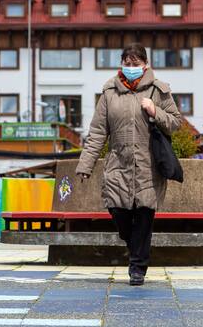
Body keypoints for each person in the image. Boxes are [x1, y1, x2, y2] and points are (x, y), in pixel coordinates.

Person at [76, 44, 182, 286]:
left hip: (149, 166)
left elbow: (176, 123)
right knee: (120, 214)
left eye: (136, 63)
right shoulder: (109, 93)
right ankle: (134, 246)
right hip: (118, 165)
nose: (132, 67)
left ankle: (137, 268)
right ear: (121, 63)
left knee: (144, 217)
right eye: (128, 62)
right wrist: (85, 165)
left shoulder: (159, 90)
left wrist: (155, 111)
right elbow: (97, 132)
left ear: (145, 65)